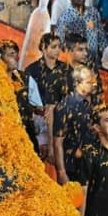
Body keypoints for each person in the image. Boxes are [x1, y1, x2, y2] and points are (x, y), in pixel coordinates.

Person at [24, 33, 70, 163]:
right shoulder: (31, 70)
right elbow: (28, 99)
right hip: (39, 119)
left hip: (61, 119)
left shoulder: (65, 69)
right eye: (53, 47)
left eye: (59, 47)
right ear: (43, 48)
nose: (58, 50)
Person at [53, 64, 99, 184]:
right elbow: (58, 142)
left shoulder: (90, 102)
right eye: (89, 82)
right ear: (78, 83)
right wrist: (62, 172)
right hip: (72, 168)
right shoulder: (66, 106)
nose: (94, 84)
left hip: (89, 164)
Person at [54, 0, 107, 64]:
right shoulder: (65, 18)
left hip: (94, 62)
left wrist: (105, 57)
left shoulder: (93, 12)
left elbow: (101, 37)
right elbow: (61, 43)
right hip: (75, 64)